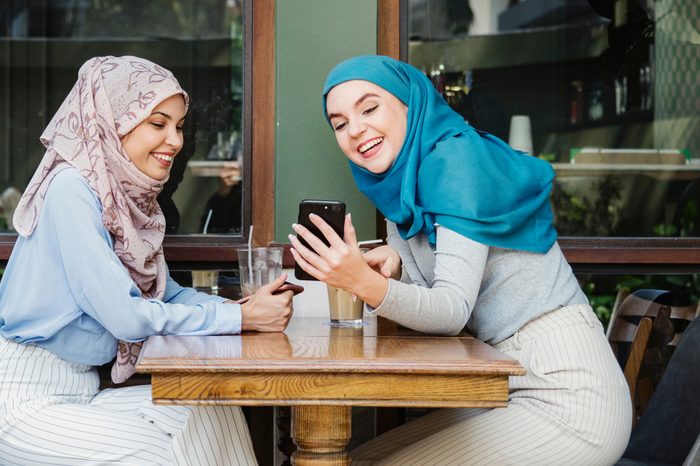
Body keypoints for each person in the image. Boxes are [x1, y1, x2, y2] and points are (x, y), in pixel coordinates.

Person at [289, 55, 632, 465]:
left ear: (408, 103)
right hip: (503, 380)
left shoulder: (454, 160)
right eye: (340, 123)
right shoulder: (403, 181)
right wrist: (396, 264)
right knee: (359, 460)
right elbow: (443, 297)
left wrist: (359, 280)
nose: (356, 129)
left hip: (569, 396)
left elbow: (451, 310)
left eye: (369, 107)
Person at [0, 55, 293, 465]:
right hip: (24, 400)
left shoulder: (129, 203)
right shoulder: (72, 189)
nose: (175, 140)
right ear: (111, 120)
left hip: (82, 391)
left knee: (213, 408)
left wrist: (241, 308)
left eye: (179, 126)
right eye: (158, 124)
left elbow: (167, 295)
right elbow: (126, 318)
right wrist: (241, 321)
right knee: (162, 454)